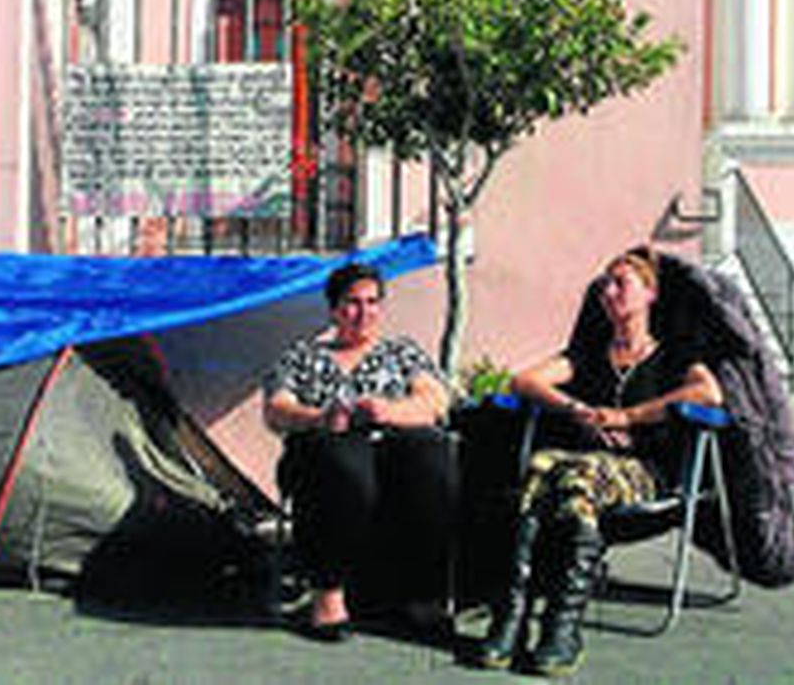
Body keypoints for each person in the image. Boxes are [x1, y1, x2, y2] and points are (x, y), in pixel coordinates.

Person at [475, 249, 723, 675]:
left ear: (649, 294)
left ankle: (560, 622)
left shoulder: (672, 356)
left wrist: (629, 416)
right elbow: (524, 380)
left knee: (575, 476)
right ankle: (514, 616)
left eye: (621, 283)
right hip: (583, 469)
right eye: (605, 284)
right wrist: (577, 410)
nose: (608, 292)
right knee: (543, 467)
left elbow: (708, 393)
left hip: (645, 470)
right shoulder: (589, 353)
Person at [262, 262, 456, 642]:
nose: (363, 312)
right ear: (334, 309)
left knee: (434, 456)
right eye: (352, 303)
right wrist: (321, 417)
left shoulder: (401, 352)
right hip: (325, 448)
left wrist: (388, 411)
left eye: (372, 302)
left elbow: (434, 400)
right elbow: (277, 410)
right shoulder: (302, 356)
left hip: (393, 446)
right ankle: (328, 596)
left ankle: (424, 595)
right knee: (342, 466)